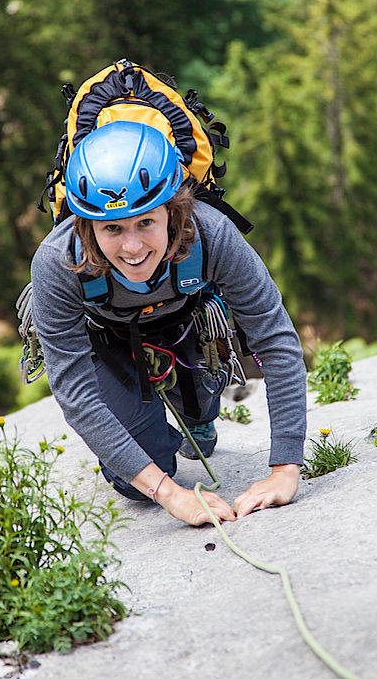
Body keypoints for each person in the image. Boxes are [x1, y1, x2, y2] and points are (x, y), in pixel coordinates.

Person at [28, 120, 307, 526]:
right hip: (105, 335)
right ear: (86, 225)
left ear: (172, 211)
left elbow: (274, 337)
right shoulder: (57, 262)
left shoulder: (211, 234)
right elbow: (76, 393)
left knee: (198, 415)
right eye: (112, 229)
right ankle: (155, 423)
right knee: (134, 484)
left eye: (146, 222)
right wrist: (169, 493)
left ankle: (194, 410)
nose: (133, 247)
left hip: (185, 317)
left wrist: (286, 468)